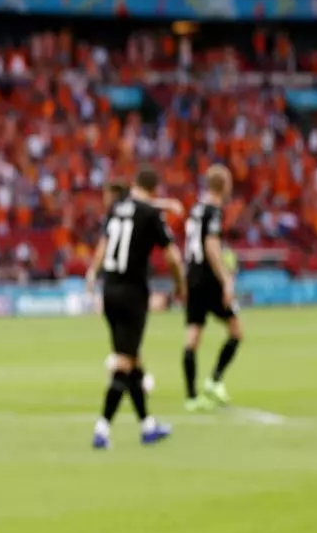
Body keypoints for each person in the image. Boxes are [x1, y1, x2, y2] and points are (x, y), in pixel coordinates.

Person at [86, 168, 185, 450]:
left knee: (132, 360)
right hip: (132, 293)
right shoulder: (151, 215)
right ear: (155, 189)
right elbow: (173, 257)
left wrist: (92, 274)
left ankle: (147, 426)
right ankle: (102, 429)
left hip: (110, 290)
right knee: (125, 363)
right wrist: (179, 286)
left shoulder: (117, 208)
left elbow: (103, 245)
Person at [182, 164, 243, 411]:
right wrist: (226, 278)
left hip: (193, 276)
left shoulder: (196, 209)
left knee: (193, 335)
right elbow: (211, 245)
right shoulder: (214, 211)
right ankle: (214, 381)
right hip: (209, 279)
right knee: (236, 330)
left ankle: (191, 397)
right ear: (224, 185)